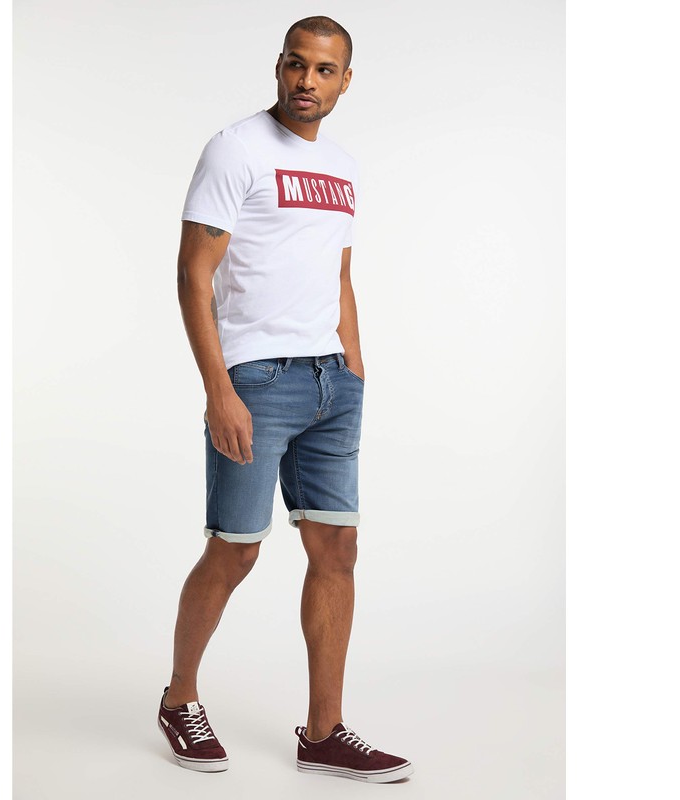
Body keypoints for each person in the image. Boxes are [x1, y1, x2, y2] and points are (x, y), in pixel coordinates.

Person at [157, 16, 413, 783]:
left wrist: (355, 370)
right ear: (279, 66)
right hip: (256, 383)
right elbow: (192, 274)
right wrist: (219, 389)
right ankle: (178, 699)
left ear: (345, 80)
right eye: (297, 65)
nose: (308, 81)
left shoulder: (342, 167)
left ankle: (324, 733)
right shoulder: (235, 149)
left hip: (333, 383)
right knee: (235, 549)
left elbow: (339, 275)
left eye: (325, 70)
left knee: (338, 550)